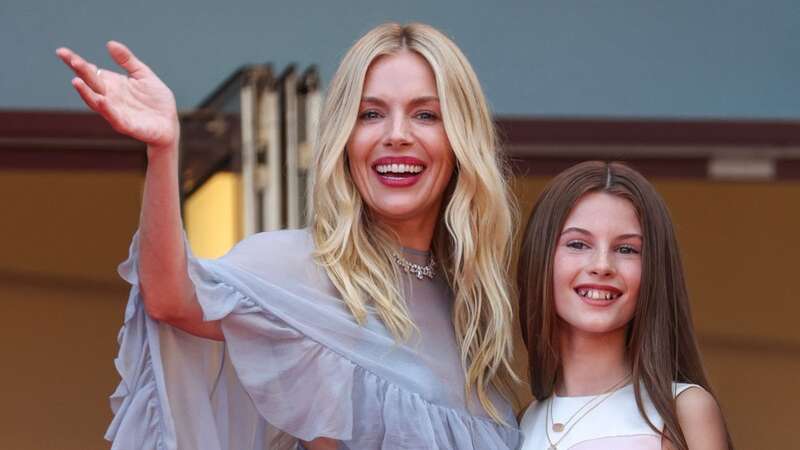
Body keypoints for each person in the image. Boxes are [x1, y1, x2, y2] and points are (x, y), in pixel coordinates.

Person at [57, 23, 521, 449]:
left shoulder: (475, 310)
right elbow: (171, 299)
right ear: (344, 136)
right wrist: (164, 150)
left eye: (426, 115)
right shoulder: (296, 266)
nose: (396, 135)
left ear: (462, 141)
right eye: (370, 114)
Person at [516, 161, 733, 450]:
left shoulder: (684, 411)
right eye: (578, 244)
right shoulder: (520, 425)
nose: (602, 265)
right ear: (540, 258)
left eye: (626, 249)